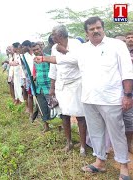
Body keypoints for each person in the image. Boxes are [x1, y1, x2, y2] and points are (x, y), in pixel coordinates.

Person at [35, 17, 133, 179]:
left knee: (117, 133)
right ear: (86, 33)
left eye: (98, 27)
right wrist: (44, 58)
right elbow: (64, 60)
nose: (95, 31)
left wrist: (128, 95)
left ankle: (123, 166)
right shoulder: (82, 49)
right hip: (88, 99)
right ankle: (99, 162)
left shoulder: (117, 45)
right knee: (96, 132)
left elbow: (127, 72)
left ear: (103, 28)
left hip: (111, 99)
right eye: (91, 29)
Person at [35, 25, 87, 156]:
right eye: (53, 36)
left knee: (80, 116)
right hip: (61, 85)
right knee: (64, 115)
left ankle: (82, 146)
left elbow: (76, 61)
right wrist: (52, 87)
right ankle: (68, 142)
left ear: (62, 35)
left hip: (76, 84)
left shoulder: (76, 44)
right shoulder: (54, 47)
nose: (53, 38)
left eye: (54, 35)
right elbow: (54, 68)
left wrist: (64, 51)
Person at [31, 43, 51, 132]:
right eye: (34, 50)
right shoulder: (34, 60)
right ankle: (46, 126)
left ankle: (59, 126)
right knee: (42, 108)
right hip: (39, 87)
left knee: (53, 107)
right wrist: (34, 77)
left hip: (49, 87)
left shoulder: (49, 58)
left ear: (41, 48)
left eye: (37, 49)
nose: (36, 51)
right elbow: (34, 72)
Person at [20, 40, 35, 117]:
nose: (22, 48)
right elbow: (25, 68)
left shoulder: (34, 54)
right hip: (30, 78)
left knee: (37, 95)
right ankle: (31, 113)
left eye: (23, 47)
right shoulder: (24, 56)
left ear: (28, 46)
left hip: (37, 77)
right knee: (30, 95)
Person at [124, 31, 133, 153]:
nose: (130, 39)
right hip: (126, 89)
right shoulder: (122, 53)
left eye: (132, 37)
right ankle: (127, 145)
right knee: (128, 118)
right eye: (128, 37)